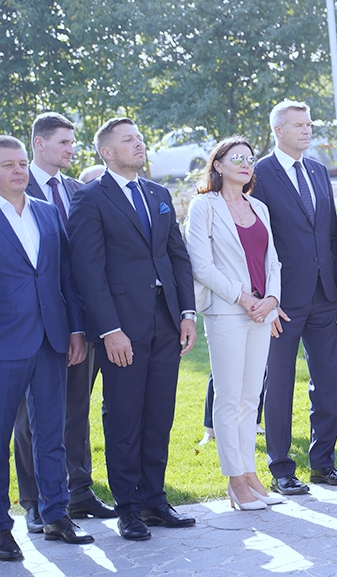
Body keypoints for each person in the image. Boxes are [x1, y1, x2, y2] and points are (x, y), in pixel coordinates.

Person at [68, 117, 197, 541]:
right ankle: (127, 508)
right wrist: (109, 329)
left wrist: (187, 314)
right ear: (106, 152)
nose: (139, 144)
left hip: (165, 322)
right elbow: (89, 271)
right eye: (128, 140)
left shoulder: (158, 194)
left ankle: (154, 500)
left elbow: (177, 257)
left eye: (140, 137)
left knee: (159, 416)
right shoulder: (90, 198)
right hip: (122, 327)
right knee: (124, 417)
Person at [14, 113, 115, 536]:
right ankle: (35, 500)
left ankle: (78, 490)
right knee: (30, 418)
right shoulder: (17, 189)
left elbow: (80, 263)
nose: (72, 149)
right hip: (26, 327)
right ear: (38, 144)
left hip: (76, 323)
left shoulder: (77, 190)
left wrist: (83, 323)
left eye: (74, 142)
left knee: (74, 409)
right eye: (63, 142)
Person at [250, 100, 337, 495]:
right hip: (282, 301)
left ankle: (323, 463)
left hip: (325, 295)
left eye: (309, 124)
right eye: (298, 125)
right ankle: (281, 469)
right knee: (279, 384)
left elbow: (331, 234)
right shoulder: (258, 174)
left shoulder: (316, 169)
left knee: (327, 381)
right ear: (278, 130)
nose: (307, 130)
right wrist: (266, 299)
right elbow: (256, 242)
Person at [0, 135, 91, 561]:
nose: (18, 171)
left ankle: (56, 515)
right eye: (8, 165)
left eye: (21, 163)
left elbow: (64, 277)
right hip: (5, 343)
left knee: (51, 433)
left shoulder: (47, 212)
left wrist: (75, 329)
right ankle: (3, 528)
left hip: (53, 339)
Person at [185, 136, 284, 510]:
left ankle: (251, 473)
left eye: (250, 159)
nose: (245, 163)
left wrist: (271, 301)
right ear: (219, 165)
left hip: (261, 311)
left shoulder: (259, 206)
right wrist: (244, 298)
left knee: (250, 398)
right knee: (228, 399)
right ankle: (235, 481)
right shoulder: (204, 206)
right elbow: (201, 265)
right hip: (228, 311)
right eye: (236, 158)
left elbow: (273, 260)